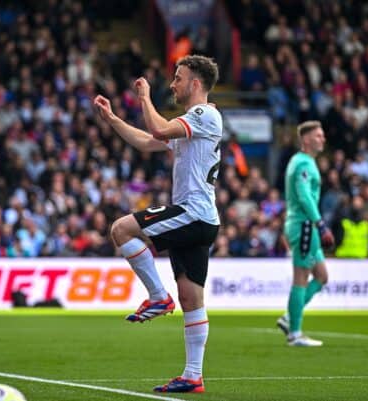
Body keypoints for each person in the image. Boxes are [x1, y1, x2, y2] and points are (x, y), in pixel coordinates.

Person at [94, 55, 221, 393]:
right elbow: (147, 141)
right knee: (192, 299)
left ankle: (156, 296)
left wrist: (144, 97)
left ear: (195, 83)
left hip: (191, 212)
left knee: (121, 229)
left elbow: (158, 128)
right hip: (202, 217)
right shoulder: (191, 124)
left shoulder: (204, 115)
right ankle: (193, 376)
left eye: (178, 78)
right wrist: (112, 119)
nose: (173, 84)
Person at [277, 120, 335, 346]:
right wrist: (319, 223)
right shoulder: (303, 163)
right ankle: (295, 333)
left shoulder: (303, 161)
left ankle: (290, 317)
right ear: (306, 139)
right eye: (318, 135)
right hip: (305, 226)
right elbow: (304, 196)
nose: (323, 139)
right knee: (301, 278)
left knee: (322, 277)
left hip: (304, 225)